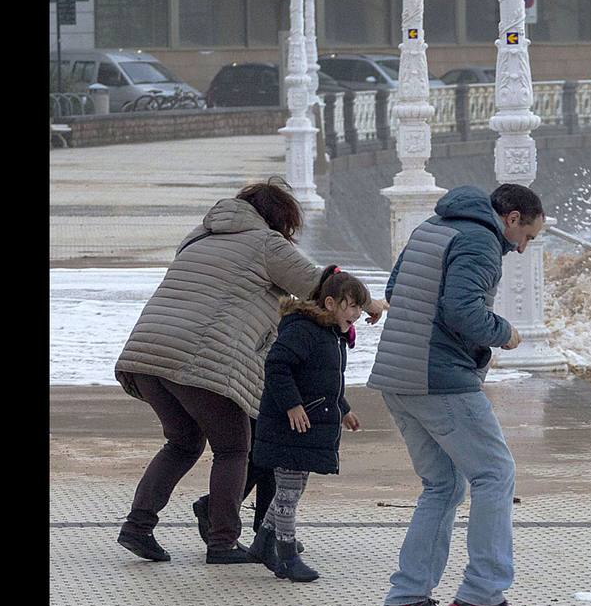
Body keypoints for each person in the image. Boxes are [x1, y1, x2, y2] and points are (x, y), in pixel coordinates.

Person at [113, 178, 387, 564]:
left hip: (148, 353)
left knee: (183, 442)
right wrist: (371, 304)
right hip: (200, 357)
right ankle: (222, 542)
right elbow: (322, 287)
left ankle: (137, 527)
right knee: (233, 448)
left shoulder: (197, 236)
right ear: (279, 219)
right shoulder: (266, 243)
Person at [370, 183, 544, 606]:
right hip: (438, 379)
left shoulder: (433, 227)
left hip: (396, 375)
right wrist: (503, 332)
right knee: (494, 473)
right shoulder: (481, 240)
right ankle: (483, 593)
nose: (522, 248)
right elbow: (462, 311)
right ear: (511, 219)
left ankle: (409, 595)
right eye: (527, 236)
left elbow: (395, 289)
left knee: (444, 484)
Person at [247, 266, 371, 582]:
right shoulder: (304, 329)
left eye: (360, 307)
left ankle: (263, 543)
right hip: (288, 426)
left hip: (306, 425)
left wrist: (343, 409)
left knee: (295, 486)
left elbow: (323, 382)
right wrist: (292, 405)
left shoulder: (330, 335)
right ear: (330, 304)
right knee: (288, 491)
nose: (357, 314)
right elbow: (277, 366)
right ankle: (287, 556)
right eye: (352, 306)